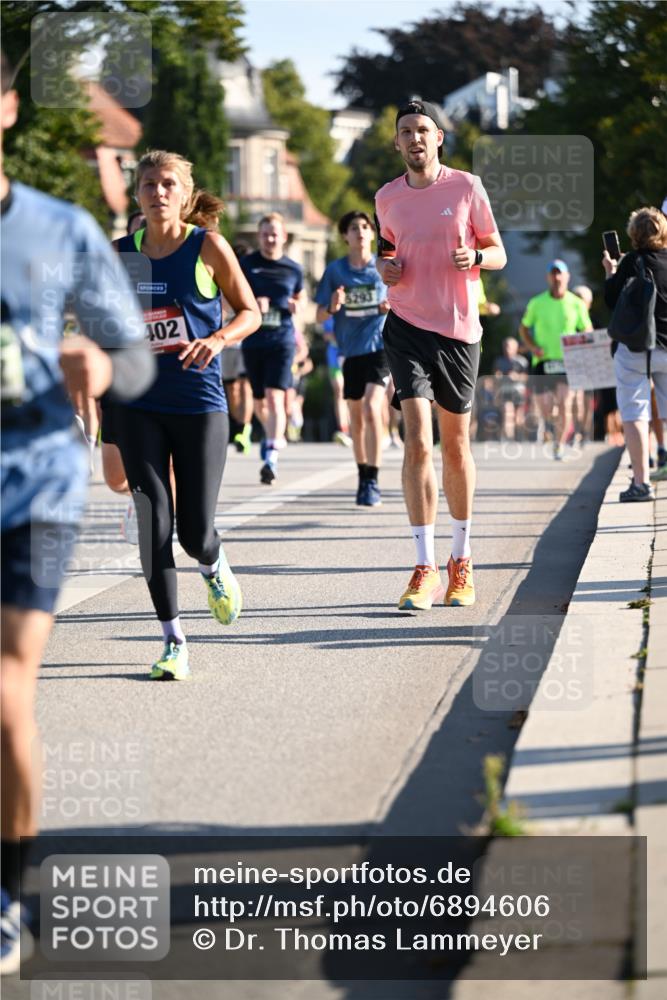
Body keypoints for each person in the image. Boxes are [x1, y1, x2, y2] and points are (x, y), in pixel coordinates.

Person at [0, 51, 155, 973]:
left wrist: (100, 369)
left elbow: (135, 356)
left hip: (33, 487)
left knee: (4, 688)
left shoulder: (56, 230)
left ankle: (9, 892)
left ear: (8, 109)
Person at [112, 149, 260, 679]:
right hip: (137, 405)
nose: (157, 192)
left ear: (186, 194)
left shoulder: (208, 246)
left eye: (167, 184)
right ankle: (174, 640)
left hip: (199, 403)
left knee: (194, 533)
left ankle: (213, 563)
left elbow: (251, 311)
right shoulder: (118, 254)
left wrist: (218, 339)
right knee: (153, 527)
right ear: (136, 195)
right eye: (148, 184)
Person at [374, 99, 506, 610]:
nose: (414, 139)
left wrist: (475, 256)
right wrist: (386, 269)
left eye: (422, 130)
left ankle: (461, 558)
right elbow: (388, 251)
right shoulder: (387, 197)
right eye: (405, 131)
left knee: (454, 447)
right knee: (417, 442)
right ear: (397, 142)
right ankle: (424, 565)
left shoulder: (466, 187)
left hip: (458, 331)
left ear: (438, 138)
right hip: (405, 324)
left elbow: (498, 251)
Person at [316, 211, 391, 506]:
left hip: (381, 347)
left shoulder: (383, 268)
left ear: (372, 234)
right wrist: (333, 307)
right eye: (353, 228)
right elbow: (318, 315)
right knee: (357, 417)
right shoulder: (336, 271)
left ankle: (373, 477)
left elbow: (406, 301)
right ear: (345, 236)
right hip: (350, 351)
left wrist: (390, 308)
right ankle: (362, 476)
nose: (360, 231)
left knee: (373, 407)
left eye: (364, 227)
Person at [603, 206, 667, 499]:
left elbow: (611, 300)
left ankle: (640, 483)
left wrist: (610, 273)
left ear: (633, 235)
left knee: (635, 413)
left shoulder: (630, 262)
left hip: (634, 348)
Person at [240, 212, 305, 484]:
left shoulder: (293, 269)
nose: (270, 239)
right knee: (259, 402)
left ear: (284, 237)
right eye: (266, 234)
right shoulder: (246, 265)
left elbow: (299, 299)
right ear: (259, 236)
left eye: (275, 234)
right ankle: (271, 436)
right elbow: (232, 300)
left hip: (282, 340)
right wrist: (254, 305)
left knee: (275, 397)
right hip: (253, 340)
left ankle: (270, 456)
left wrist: (296, 306)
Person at [519, 260, 592, 459]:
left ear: (567, 277)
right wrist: (533, 347)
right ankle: (551, 425)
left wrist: (580, 343)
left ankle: (559, 445)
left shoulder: (576, 304)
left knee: (564, 404)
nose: (557, 278)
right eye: (553, 274)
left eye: (560, 274)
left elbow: (587, 330)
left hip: (568, 361)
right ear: (548, 277)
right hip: (543, 362)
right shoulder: (537, 302)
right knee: (545, 407)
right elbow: (524, 328)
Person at [221, 241, 254, 454]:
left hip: (248, 338)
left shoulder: (253, 279)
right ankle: (237, 423)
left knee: (245, 385)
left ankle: (244, 429)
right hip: (227, 338)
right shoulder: (223, 276)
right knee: (231, 388)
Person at [493, 337, 528, 440]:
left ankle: (520, 436)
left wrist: (516, 376)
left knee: (518, 417)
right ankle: (509, 436)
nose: (507, 349)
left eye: (509, 346)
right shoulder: (499, 361)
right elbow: (496, 375)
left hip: (518, 390)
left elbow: (526, 377)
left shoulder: (522, 361)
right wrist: (499, 377)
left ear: (516, 348)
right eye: (505, 346)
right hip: (505, 390)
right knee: (508, 412)